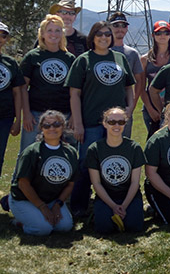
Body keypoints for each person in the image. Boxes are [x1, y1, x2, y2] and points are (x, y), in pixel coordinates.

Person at [65, 21, 136, 217]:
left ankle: (114, 201)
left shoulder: (120, 58)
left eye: (107, 34)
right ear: (92, 37)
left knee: (114, 161)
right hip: (91, 123)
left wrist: (130, 108)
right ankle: (80, 204)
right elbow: (74, 94)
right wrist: (77, 123)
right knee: (86, 163)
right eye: (99, 34)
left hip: (116, 123)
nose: (104, 37)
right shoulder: (84, 60)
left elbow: (129, 87)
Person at [8, 110, 78, 235]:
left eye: (56, 124)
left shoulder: (70, 152)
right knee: (43, 229)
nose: (52, 128)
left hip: (51, 200)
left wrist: (58, 204)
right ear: (41, 129)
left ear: (63, 126)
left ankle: (35, 217)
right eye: (47, 125)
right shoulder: (32, 151)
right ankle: (21, 221)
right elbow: (23, 184)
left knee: (65, 226)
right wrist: (42, 207)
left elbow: (71, 184)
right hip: (24, 199)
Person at [18, 15, 76, 155]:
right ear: (42, 34)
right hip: (36, 114)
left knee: (63, 154)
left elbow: (75, 90)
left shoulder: (70, 58)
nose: (53, 34)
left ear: (62, 34)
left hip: (64, 114)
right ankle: (19, 178)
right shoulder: (32, 57)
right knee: (27, 153)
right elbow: (22, 88)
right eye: (49, 30)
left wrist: (74, 115)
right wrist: (26, 113)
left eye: (57, 30)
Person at [86, 107, 145, 233]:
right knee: (104, 229)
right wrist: (113, 206)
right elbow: (96, 183)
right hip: (106, 196)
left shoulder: (134, 148)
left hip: (129, 196)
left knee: (134, 227)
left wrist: (124, 206)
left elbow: (135, 182)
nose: (116, 125)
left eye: (121, 122)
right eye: (112, 122)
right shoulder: (95, 149)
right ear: (104, 123)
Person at [107, 12, 145, 137]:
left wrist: (132, 105)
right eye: (116, 25)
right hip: (101, 106)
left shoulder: (132, 54)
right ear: (109, 27)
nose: (120, 29)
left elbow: (139, 80)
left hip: (123, 108)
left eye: (123, 25)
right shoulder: (100, 51)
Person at [140, 20, 170, 136]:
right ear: (153, 36)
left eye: (166, 33)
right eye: (158, 33)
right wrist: (150, 109)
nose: (162, 36)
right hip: (152, 110)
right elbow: (141, 87)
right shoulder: (145, 59)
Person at [0, 21, 24, 174]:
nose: (0, 38)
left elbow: (17, 93)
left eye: (3, 35)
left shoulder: (10, 63)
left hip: (4, 117)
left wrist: (18, 120)